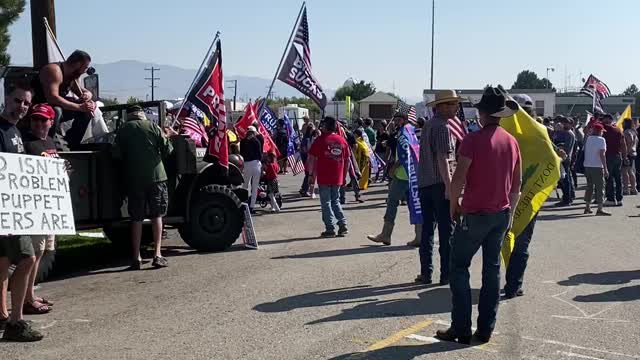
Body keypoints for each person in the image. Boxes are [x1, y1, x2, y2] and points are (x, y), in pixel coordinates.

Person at [436, 87, 521, 345]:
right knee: (492, 270)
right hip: (501, 213)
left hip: (475, 213)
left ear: (482, 113)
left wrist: (454, 204)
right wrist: (511, 215)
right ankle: (485, 329)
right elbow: (517, 185)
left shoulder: (473, 140)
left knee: (459, 266)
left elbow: (459, 176)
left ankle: (460, 327)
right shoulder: (512, 141)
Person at [0, 84, 44, 341]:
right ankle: (16, 323)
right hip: (7, 211)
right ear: (7, 99)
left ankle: (5, 314)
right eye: (18, 101)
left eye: (26, 103)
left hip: (14, 208)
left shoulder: (15, 130)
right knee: (27, 258)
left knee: (4, 262)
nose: (22, 107)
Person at [113, 105, 174, 270]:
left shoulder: (123, 130)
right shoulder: (153, 126)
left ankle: (136, 257)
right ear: (142, 115)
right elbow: (167, 149)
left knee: (136, 218)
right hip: (157, 177)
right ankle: (157, 255)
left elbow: (116, 155)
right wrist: (167, 135)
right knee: (157, 216)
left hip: (134, 179)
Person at [416, 90, 463, 285]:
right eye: (451, 104)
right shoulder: (443, 127)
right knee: (446, 231)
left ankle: (426, 273)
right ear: (441, 107)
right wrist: (450, 186)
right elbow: (443, 159)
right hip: (439, 183)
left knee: (427, 230)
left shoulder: (428, 125)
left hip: (425, 183)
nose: (455, 107)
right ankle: (446, 273)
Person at [22, 104, 60, 316]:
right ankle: (27, 298)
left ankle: (31, 295)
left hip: (50, 207)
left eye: (43, 120)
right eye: (35, 119)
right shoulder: (27, 144)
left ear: (50, 122)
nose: (38, 123)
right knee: (34, 254)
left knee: (44, 251)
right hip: (35, 207)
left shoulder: (50, 142)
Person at [368, 113, 421, 247]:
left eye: (399, 119)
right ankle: (420, 236)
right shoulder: (410, 131)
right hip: (413, 173)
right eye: (395, 119)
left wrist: (394, 168)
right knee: (414, 204)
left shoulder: (403, 133)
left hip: (403, 174)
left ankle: (386, 234)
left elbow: (404, 154)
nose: (396, 122)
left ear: (404, 120)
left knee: (392, 202)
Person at [34, 50, 96, 147]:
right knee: (56, 111)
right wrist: (79, 106)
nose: (85, 71)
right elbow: (52, 98)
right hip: (40, 108)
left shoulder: (71, 76)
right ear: (77, 64)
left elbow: (80, 90)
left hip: (58, 106)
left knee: (86, 112)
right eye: (85, 67)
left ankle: (71, 144)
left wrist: (88, 94)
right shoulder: (54, 71)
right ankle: (49, 143)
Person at [308, 117, 350, 238]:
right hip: (337, 176)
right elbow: (347, 160)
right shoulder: (342, 140)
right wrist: (344, 175)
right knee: (335, 201)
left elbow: (311, 158)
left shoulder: (320, 140)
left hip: (324, 176)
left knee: (326, 202)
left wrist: (311, 174)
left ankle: (330, 228)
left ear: (325, 126)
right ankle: (342, 225)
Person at [583, 123, 610, 216]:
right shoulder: (601, 140)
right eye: (602, 131)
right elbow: (602, 155)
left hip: (587, 165)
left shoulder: (588, 139)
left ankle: (587, 207)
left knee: (589, 187)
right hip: (597, 166)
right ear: (600, 131)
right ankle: (600, 209)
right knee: (600, 187)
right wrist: (606, 168)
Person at [602, 114, 626, 206]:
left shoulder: (604, 128)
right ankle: (619, 199)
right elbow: (624, 144)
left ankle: (611, 199)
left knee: (609, 178)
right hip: (618, 155)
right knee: (618, 178)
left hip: (608, 156)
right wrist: (624, 157)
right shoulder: (618, 129)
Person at [553, 116, 576, 207]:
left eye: (567, 123)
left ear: (571, 124)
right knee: (566, 179)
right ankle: (569, 196)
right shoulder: (562, 133)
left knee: (566, 180)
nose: (565, 124)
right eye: (564, 122)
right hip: (561, 158)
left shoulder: (569, 134)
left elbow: (566, 148)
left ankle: (567, 199)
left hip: (565, 159)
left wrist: (559, 148)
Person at [240, 126, 264, 213]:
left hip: (246, 164)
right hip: (256, 164)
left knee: (245, 186)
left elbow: (241, 153)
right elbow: (259, 154)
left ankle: (244, 204)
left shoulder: (243, 141)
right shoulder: (256, 141)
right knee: (254, 187)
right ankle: (252, 206)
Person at [299, 124, 315, 197]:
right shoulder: (307, 138)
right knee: (308, 174)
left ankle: (304, 188)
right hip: (307, 158)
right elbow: (304, 149)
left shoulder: (308, 137)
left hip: (306, 157)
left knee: (308, 174)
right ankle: (304, 189)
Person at [622, 118, 638, 195]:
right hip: (633, 153)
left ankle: (626, 189)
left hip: (628, 153)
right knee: (630, 171)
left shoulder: (627, 132)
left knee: (625, 172)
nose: (622, 124)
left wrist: (626, 153)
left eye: (623, 122)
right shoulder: (634, 132)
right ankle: (633, 188)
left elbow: (630, 141)